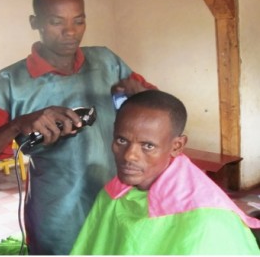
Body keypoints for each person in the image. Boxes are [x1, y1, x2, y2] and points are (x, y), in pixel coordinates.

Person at [0, 0, 156, 255]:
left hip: (118, 197)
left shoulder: (106, 61)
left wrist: (141, 97)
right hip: (57, 212)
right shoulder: (9, 83)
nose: (70, 32)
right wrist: (18, 124)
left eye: (79, 21)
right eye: (56, 22)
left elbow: (156, 106)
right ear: (35, 22)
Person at [70, 89, 260, 255]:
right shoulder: (113, 192)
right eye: (121, 140)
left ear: (176, 146)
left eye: (148, 146)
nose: (129, 156)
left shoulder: (208, 219)